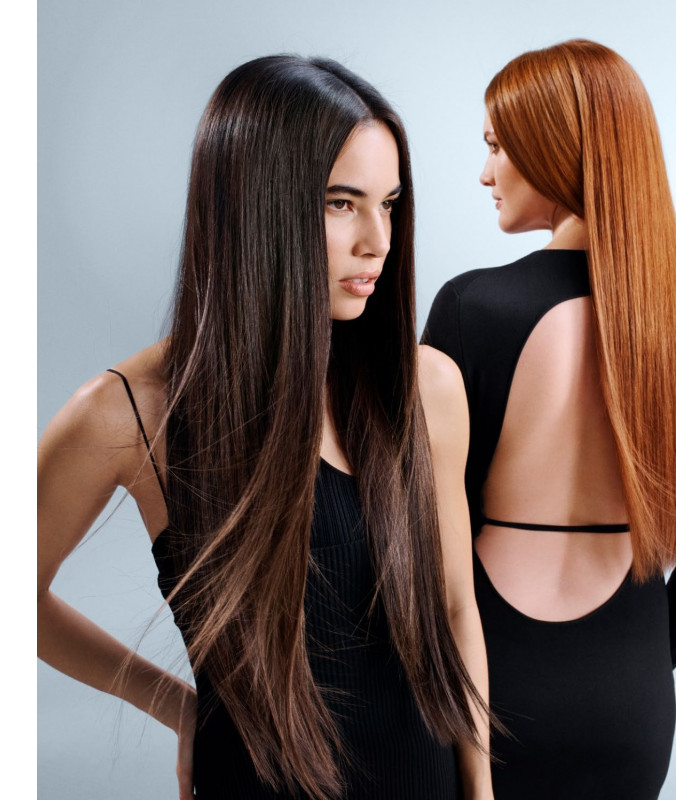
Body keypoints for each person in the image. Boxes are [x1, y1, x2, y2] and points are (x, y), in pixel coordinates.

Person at [38, 56, 492, 800]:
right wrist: (177, 706)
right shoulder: (131, 411)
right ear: (256, 206)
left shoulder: (425, 387)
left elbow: (454, 609)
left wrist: (481, 789)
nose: (378, 239)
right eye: (341, 203)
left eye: (390, 203)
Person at [423, 39, 676, 799]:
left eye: (497, 146)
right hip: (630, 697)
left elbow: (426, 536)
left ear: (553, 148)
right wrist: (639, 663)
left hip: (489, 690)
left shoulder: (471, 307)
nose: (484, 174)